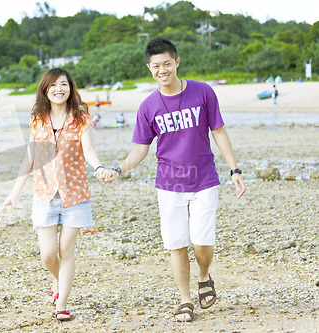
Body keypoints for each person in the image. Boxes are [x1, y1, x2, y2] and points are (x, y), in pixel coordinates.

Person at [102, 37, 246, 322]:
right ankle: (184, 300)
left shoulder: (202, 92)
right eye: (156, 66)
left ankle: (204, 275)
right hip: (169, 184)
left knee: (202, 241)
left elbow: (218, 131)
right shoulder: (148, 106)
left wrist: (235, 170)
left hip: (204, 178)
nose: (162, 70)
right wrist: (119, 169)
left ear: (177, 62)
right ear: (149, 68)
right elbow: (141, 149)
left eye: (167, 63)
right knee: (177, 244)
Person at [1, 68, 106, 321]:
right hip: (44, 194)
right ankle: (58, 282)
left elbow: (89, 151)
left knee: (66, 251)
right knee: (48, 254)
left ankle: (62, 303)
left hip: (76, 196)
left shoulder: (81, 118)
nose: (59, 89)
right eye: (53, 86)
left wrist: (99, 168)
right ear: (45, 90)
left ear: (70, 88)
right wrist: (14, 194)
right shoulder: (37, 119)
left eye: (64, 85)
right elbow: (30, 158)